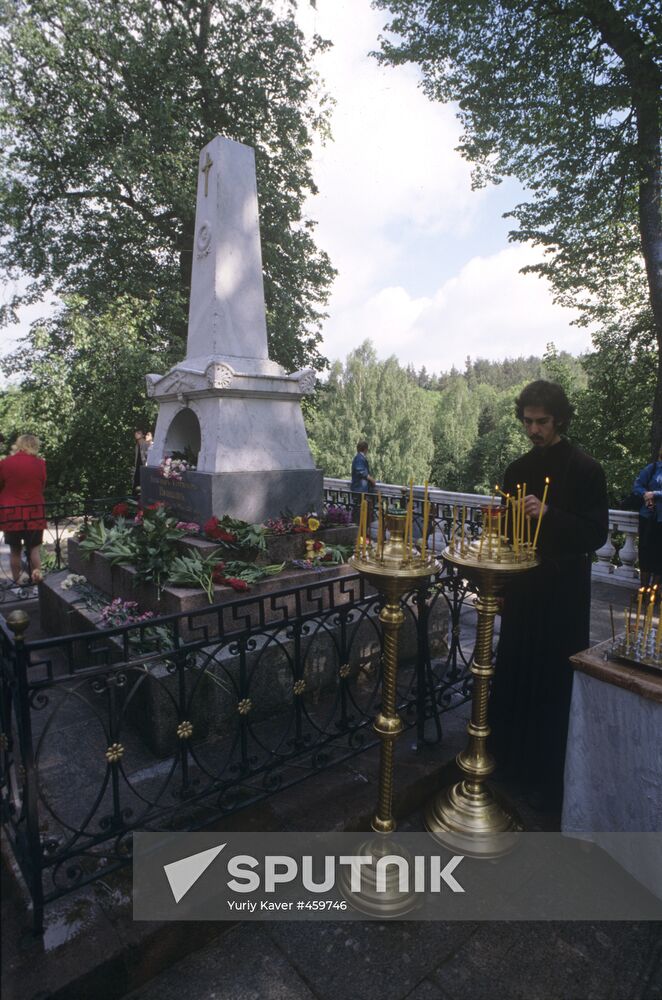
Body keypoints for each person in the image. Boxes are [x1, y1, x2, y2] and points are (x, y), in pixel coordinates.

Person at [489, 380, 608, 810]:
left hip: (562, 592)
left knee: (553, 678)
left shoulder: (586, 469)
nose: (533, 429)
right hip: (524, 590)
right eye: (527, 421)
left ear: (559, 419)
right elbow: (506, 534)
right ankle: (510, 763)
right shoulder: (517, 470)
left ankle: (548, 774)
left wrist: (550, 513)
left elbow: (597, 534)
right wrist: (500, 585)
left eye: (541, 421)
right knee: (517, 668)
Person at [0, 433, 47, 586]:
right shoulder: (40, 464)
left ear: (19, 445)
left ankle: (17, 582)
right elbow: (42, 485)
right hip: (34, 511)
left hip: (11, 513)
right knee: (34, 550)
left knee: (15, 550)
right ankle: (37, 581)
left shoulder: (5, 463)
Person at [632, 446, 662, 587]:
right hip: (648, 518)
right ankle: (643, 589)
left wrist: (655, 494)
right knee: (645, 552)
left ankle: (654, 592)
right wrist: (645, 494)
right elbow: (637, 485)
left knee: (659, 555)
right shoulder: (653, 468)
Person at [351, 440, 376, 524]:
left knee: (361, 511)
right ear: (365, 449)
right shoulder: (359, 458)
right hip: (359, 489)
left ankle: (361, 530)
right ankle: (359, 532)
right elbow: (360, 471)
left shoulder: (359, 457)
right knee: (359, 512)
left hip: (360, 489)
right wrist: (371, 479)